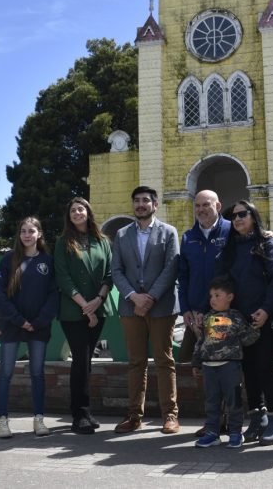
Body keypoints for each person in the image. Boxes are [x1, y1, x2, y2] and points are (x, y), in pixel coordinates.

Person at [111, 185, 181, 434]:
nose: (140, 205)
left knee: (164, 360)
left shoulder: (169, 232)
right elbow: (116, 270)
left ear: (155, 204)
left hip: (161, 306)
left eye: (145, 200)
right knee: (136, 362)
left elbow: (172, 267)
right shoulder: (121, 235)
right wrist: (133, 296)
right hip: (131, 309)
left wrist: (149, 297)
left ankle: (170, 416)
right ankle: (134, 416)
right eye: (137, 201)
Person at [215, 199, 273, 445]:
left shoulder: (268, 243)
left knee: (266, 369)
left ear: (254, 216)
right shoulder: (230, 248)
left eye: (242, 214)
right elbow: (224, 282)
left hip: (263, 319)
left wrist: (266, 311)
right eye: (233, 216)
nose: (237, 219)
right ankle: (258, 419)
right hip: (239, 322)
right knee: (249, 372)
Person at [0, 217, 59, 439]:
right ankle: (2, 422)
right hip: (13, 326)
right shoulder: (8, 260)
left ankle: (38, 420)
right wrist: (19, 320)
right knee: (5, 373)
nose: (27, 235)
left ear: (39, 234)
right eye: (23, 231)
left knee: (37, 374)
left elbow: (53, 296)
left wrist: (38, 322)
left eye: (31, 231)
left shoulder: (48, 262)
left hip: (38, 327)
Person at [55, 197, 114, 434]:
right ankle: (79, 414)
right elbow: (63, 277)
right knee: (80, 360)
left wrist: (97, 301)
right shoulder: (63, 242)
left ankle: (87, 412)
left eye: (81, 209)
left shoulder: (102, 241)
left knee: (87, 361)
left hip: (99, 307)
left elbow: (109, 274)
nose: (77, 213)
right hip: (73, 311)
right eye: (73, 210)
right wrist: (84, 306)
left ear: (88, 212)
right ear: (68, 216)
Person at [177, 189, 232, 437]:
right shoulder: (188, 237)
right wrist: (187, 309)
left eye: (206, 204)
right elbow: (184, 276)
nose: (201, 209)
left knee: (227, 370)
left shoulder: (232, 231)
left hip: (224, 314)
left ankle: (231, 420)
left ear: (218, 205)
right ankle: (214, 421)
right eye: (197, 205)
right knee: (206, 370)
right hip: (198, 315)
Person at [191, 276, 260, 449]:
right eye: (211, 296)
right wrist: (196, 362)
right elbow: (201, 342)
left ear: (229, 297)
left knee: (234, 401)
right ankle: (212, 433)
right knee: (212, 402)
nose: (212, 299)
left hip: (230, 367)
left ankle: (235, 433)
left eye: (217, 295)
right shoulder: (206, 318)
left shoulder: (236, 317)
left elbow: (247, 339)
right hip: (208, 367)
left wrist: (256, 329)